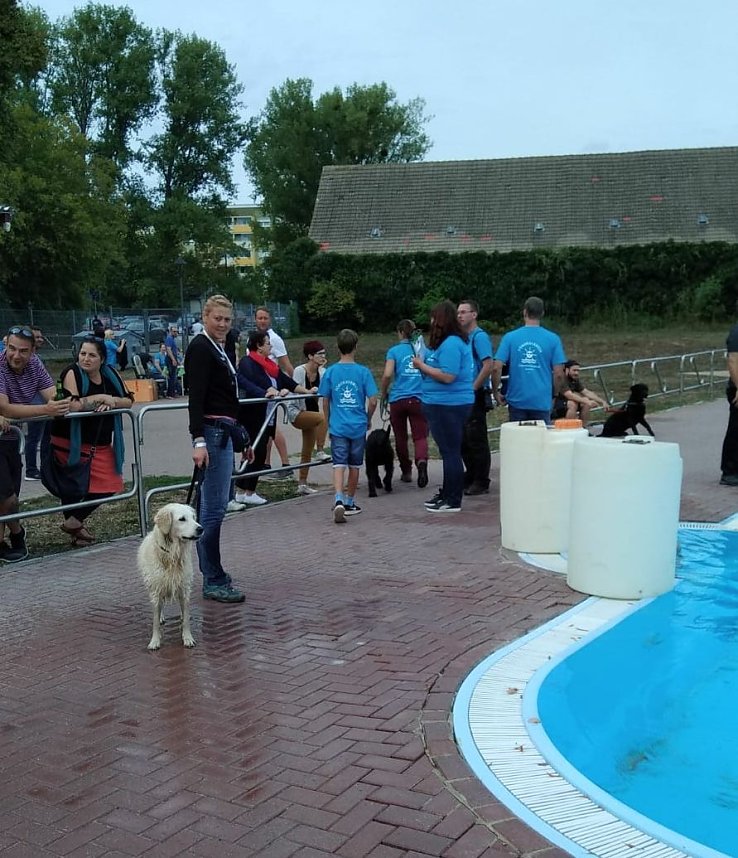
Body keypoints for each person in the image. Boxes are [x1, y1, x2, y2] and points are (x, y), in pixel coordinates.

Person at [185, 294, 249, 603]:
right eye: (217, 318)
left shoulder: (219, 348)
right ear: (205, 317)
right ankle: (212, 576)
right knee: (213, 508)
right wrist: (198, 439)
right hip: (211, 433)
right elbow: (195, 398)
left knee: (214, 505)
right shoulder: (200, 348)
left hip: (223, 431)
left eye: (227, 319)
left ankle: (213, 572)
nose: (222, 324)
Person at [50, 337, 133, 546]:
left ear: (102, 359)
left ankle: (73, 521)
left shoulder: (111, 374)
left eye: (92, 355)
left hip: (101, 442)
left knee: (111, 483)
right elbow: (74, 405)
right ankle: (76, 531)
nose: (86, 359)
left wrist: (112, 401)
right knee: (73, 486)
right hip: (70, 441)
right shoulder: (72, 372)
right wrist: (101, 397)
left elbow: (129, 400)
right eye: (83, 354)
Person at [0, 325, 73, 561]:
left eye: (23, 351)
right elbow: (4, 407)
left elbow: (52, 393)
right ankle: (15, 535)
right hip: (5, 434)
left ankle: (10, 541)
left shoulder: (35, 364)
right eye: (11, 349)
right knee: (6, 496)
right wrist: (47, 408)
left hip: (11, 437)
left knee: (11, 496)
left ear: (33, 351)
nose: (15, 355)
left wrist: (62, 403)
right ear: (5, 345)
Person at [235, 330, 313, 505]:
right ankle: (246, 491)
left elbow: (286, 381)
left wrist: (305, 391)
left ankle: (245, 491)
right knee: (256, 451)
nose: (270, 345)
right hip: (253, 416)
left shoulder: (269, 364)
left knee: (259, 451)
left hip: (268, 415)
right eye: (267, 342)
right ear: (259, 346)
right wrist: (272, 392)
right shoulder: (248, 362)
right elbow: (255, 383)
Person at [412, 300, 474, 513]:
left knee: (450, 452)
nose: (430, 321)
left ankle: (452, 499)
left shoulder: (451, 344)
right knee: (449, 451)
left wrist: (422, 366)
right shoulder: (445, 343)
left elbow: (448, 376)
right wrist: (423, 363)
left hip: (449, 404)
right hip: (439, 403)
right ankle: (447, 493)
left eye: (433, 317)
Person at [318, 329, 378, 523]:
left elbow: (325, 400)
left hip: (338, 425)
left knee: (338, 464)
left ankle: (338, 499)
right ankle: (350, 502)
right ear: (356, 347)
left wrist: (328, 421)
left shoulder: (330, 372)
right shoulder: (363, 372)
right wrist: (368, 417)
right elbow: (374, 400)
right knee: (354, 465)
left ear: (337, 347)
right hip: (358, 425)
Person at [491, 296, 566, 423]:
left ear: (524, 312)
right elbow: (559, 374)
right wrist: (554, 395)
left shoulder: (510, 337)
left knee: (519, 440)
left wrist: (495, 392)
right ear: (542, 313)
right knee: (540, 441)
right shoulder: (553, 339)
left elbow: (496, 368)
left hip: (517, 401)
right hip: (541, 401)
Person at [379, 320, 429, 488]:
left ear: (400, 332)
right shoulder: (422, 351)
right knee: (420, 435)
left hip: (398, 399)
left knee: (400, 437)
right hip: (418, 398)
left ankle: (406, 471)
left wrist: (384, 392)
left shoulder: (394, 351)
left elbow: (387, 375)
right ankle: (421, 462)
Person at [457, 300, 494, 495]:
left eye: (464, 312)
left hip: (474, 393)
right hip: (463, 393)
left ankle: (481, 479)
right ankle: (470, 473)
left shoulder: (479, 337)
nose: (460, 316)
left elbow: (488, 365)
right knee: (463, 437)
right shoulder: (462, 338)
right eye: (458, 313)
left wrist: (473, 388)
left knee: (476, 437)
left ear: (474, 314)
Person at [254, 307, 292, 472]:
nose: (262, 321)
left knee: (272, 427)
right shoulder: (255, 339)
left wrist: (293, 388)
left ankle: (285, 463)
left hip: (272, 388)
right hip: (260, 389)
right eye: (259, 318)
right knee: (265, 427)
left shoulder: (274, 340)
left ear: (270, 320)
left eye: (265, 318)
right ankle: (266, 462)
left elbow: (286, 365)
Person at [290, 340, 330, 495]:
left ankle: (302, 483)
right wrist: (308, 390)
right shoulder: (300, 371)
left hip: (311, 413)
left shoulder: (322, 372)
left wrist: (323, 368)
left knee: (306, 449)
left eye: (324, 353)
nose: (322, 356)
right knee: (322, 418)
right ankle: (320, 450)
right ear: (310, 356)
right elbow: (296, 390)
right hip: (297, 412)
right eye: (319, 354)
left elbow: (327, 388)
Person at [552, 359, 608, 427]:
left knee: (585, 403)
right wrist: (586, 401)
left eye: (578, 371)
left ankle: (583, 427)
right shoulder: (561, 379)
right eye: (574, 370)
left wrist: (602, 401)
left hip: (565, 403)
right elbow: (569, 395)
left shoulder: (574, 379)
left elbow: (586, 392)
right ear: (567, 370)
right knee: (573, 404)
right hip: (553, 404)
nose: (576, 373)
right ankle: (568, 428)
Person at [24, 326, 47, 481]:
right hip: (34, 406)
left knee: (41, 438)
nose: (40, 339)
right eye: (36, 337)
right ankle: (31, 470)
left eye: (40, 337)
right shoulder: (27, 360)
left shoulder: (36, 359)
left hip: (42, 404)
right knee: (32, 438)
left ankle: (42, 468)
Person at [164, 325, 181, 398]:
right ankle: (170, 394)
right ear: (170, 331)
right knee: (172, 377)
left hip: (173, 358)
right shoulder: (169, 339)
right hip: (170, 359)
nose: (176, 333)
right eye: (174, 331)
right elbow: (168, 349)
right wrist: (173, 359)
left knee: (174, 377)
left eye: (177, 331)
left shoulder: (172, 339)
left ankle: (172, 393)